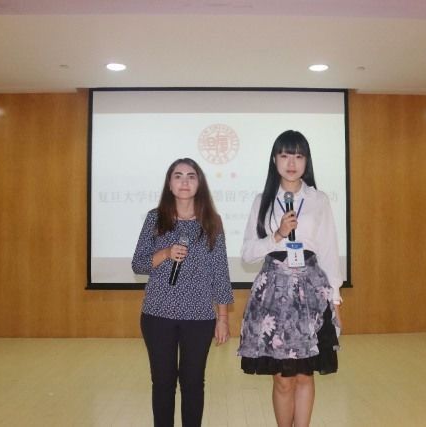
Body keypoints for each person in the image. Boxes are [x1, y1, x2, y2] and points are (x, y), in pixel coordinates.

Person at [238, 130, 342, 427]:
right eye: (285, 155)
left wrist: (335, 300)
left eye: (298, 156)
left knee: (305, 374)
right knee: (283, 378)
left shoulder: (318, 200)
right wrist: (277, 235)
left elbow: (329, 251)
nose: (291, 163)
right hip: (273, 293)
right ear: (274, 160)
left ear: (307, 161)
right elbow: (247, 254)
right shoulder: (262, 201)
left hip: (311, 292)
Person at [132, 158, 234, 427]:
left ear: (200, 183)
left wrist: (223, 318)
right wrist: (165, 253)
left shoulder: (212, 222)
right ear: (170, 184)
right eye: (178, 176)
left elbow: (220, 272)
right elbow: (138, 263)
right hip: (158, 315)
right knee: (162, 382)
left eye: (191, 176)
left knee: (193, 383)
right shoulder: (155, 218)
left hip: (199, 317)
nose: (185, 181)